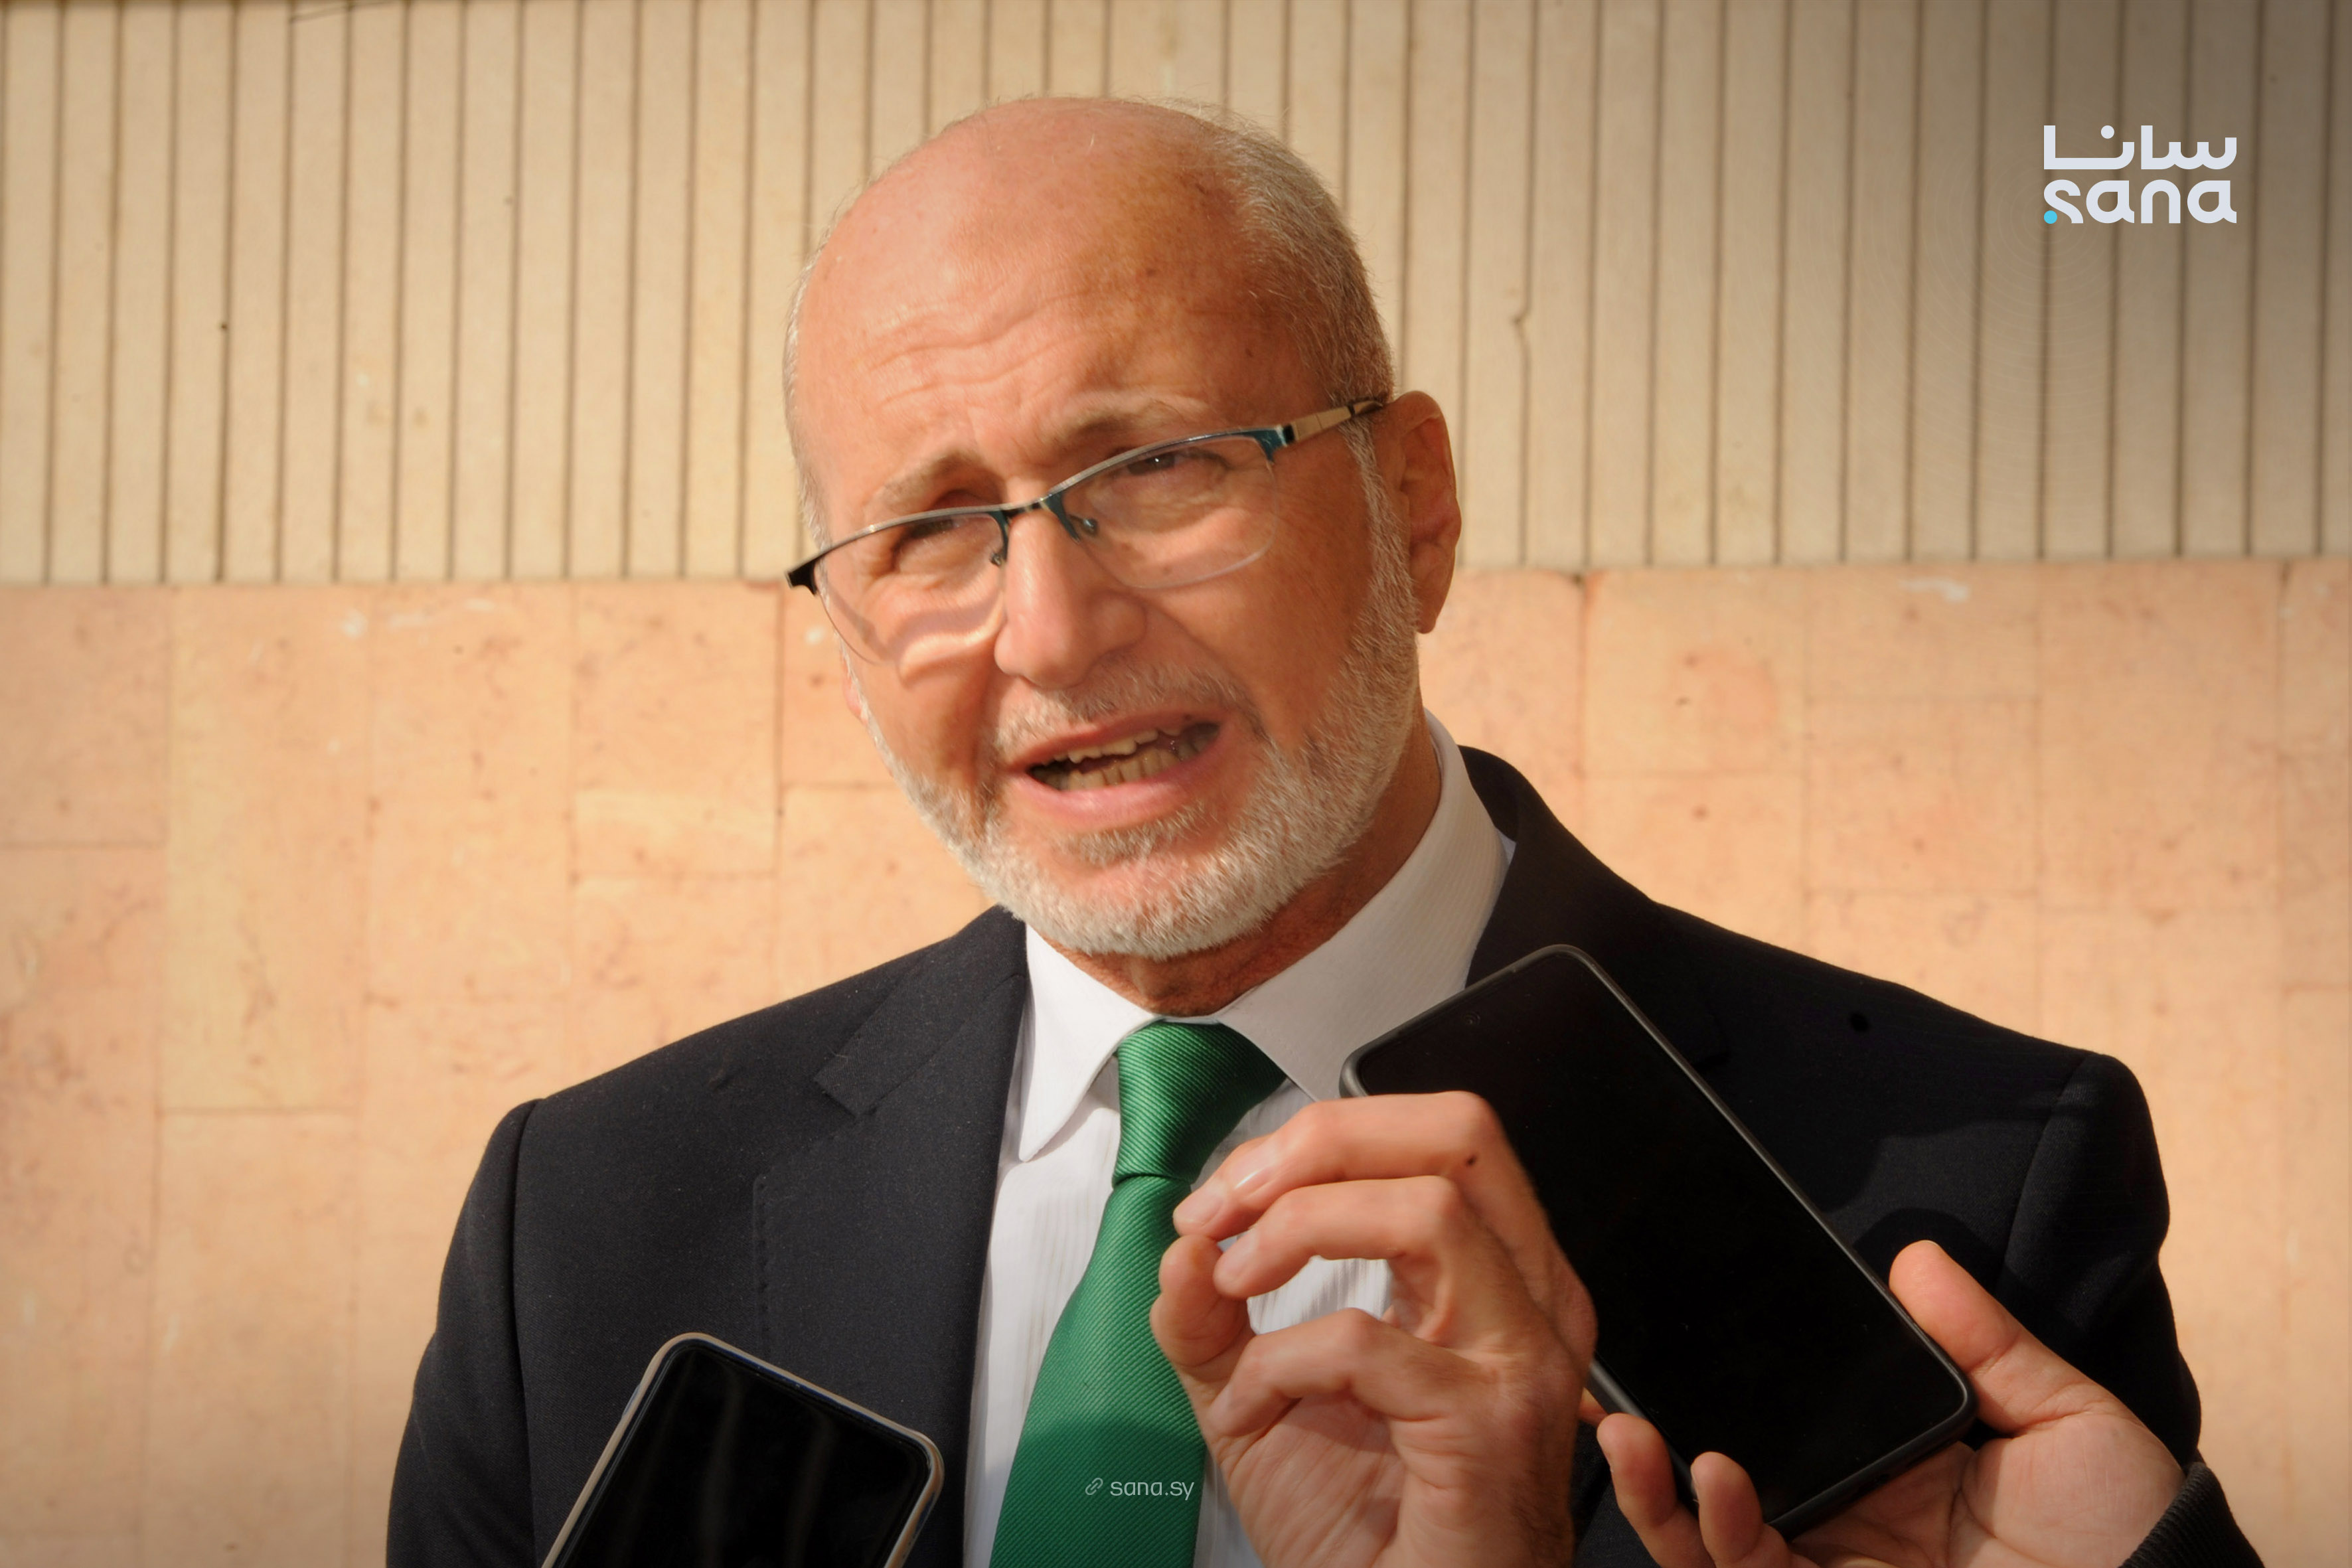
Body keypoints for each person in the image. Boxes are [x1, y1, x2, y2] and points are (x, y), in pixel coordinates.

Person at [388, 98, 2260, 1567]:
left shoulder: (1966, 1188)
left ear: (1413, 504)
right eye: (931, 530)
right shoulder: (591, 1227)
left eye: (1153, 468)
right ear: (844, 625)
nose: (1052, 631)